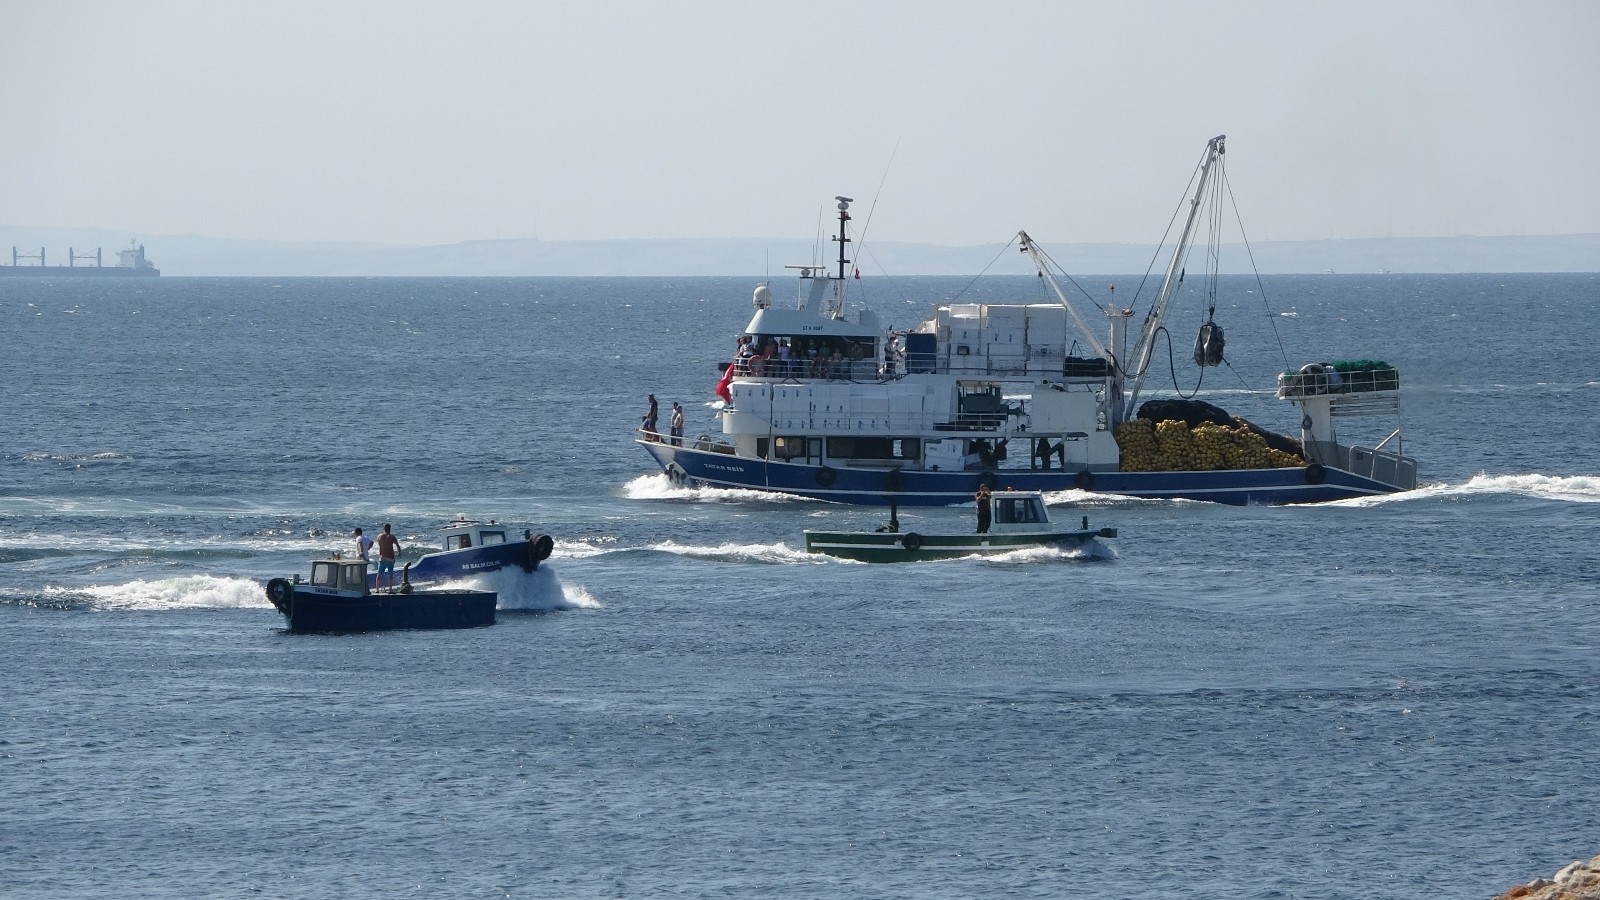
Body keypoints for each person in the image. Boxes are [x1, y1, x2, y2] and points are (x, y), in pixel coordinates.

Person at [375, 523, 402, 593]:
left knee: (379, 574)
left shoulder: (379, 536)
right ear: (390, 529)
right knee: (390, 575)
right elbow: (397, 545)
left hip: (382, 557)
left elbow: (379, 545)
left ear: (384, 529)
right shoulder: (392, 537)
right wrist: (399, 553)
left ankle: (377, 590)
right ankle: (390, 590)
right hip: (390, 558)